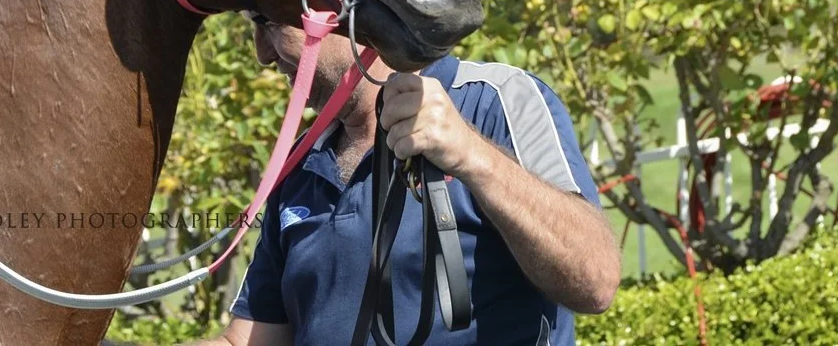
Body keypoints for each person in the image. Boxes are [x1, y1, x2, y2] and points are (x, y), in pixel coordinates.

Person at [194, 17, 621, 346]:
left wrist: (471, 155)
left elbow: (595, 280)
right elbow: (249, 339)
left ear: (344, 9)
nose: (262, 54)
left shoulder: (495, 100)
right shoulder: (299, 162)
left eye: (269, 21)